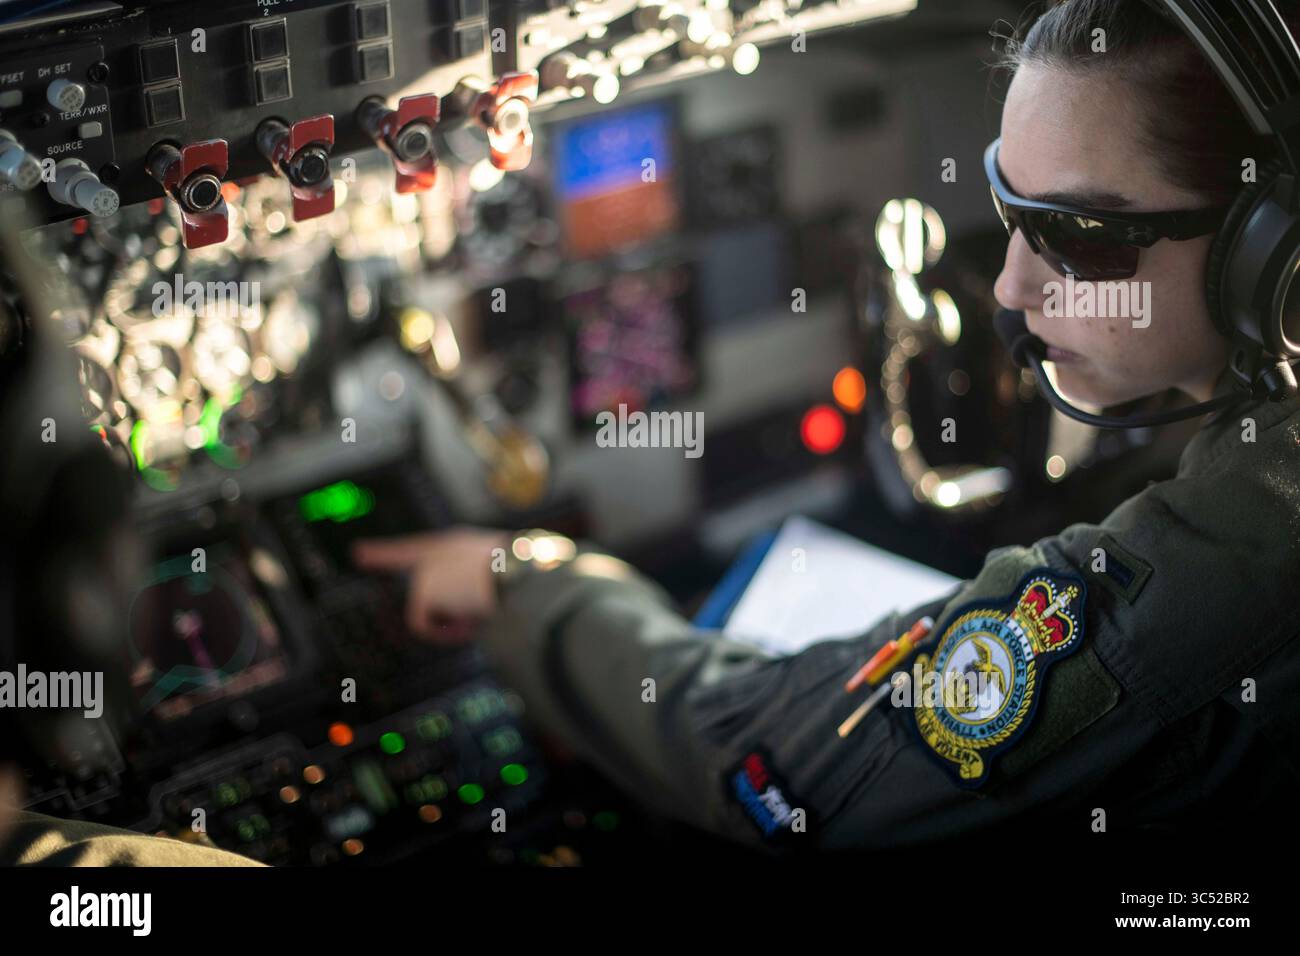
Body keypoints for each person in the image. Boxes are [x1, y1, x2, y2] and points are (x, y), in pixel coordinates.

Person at [350, 0, 1300, 850]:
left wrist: (525, 579)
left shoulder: (1238, 552)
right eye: (1009, 209)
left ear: (1273, 256)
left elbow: (776, 772)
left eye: (1082, 236)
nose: (1011, 287)